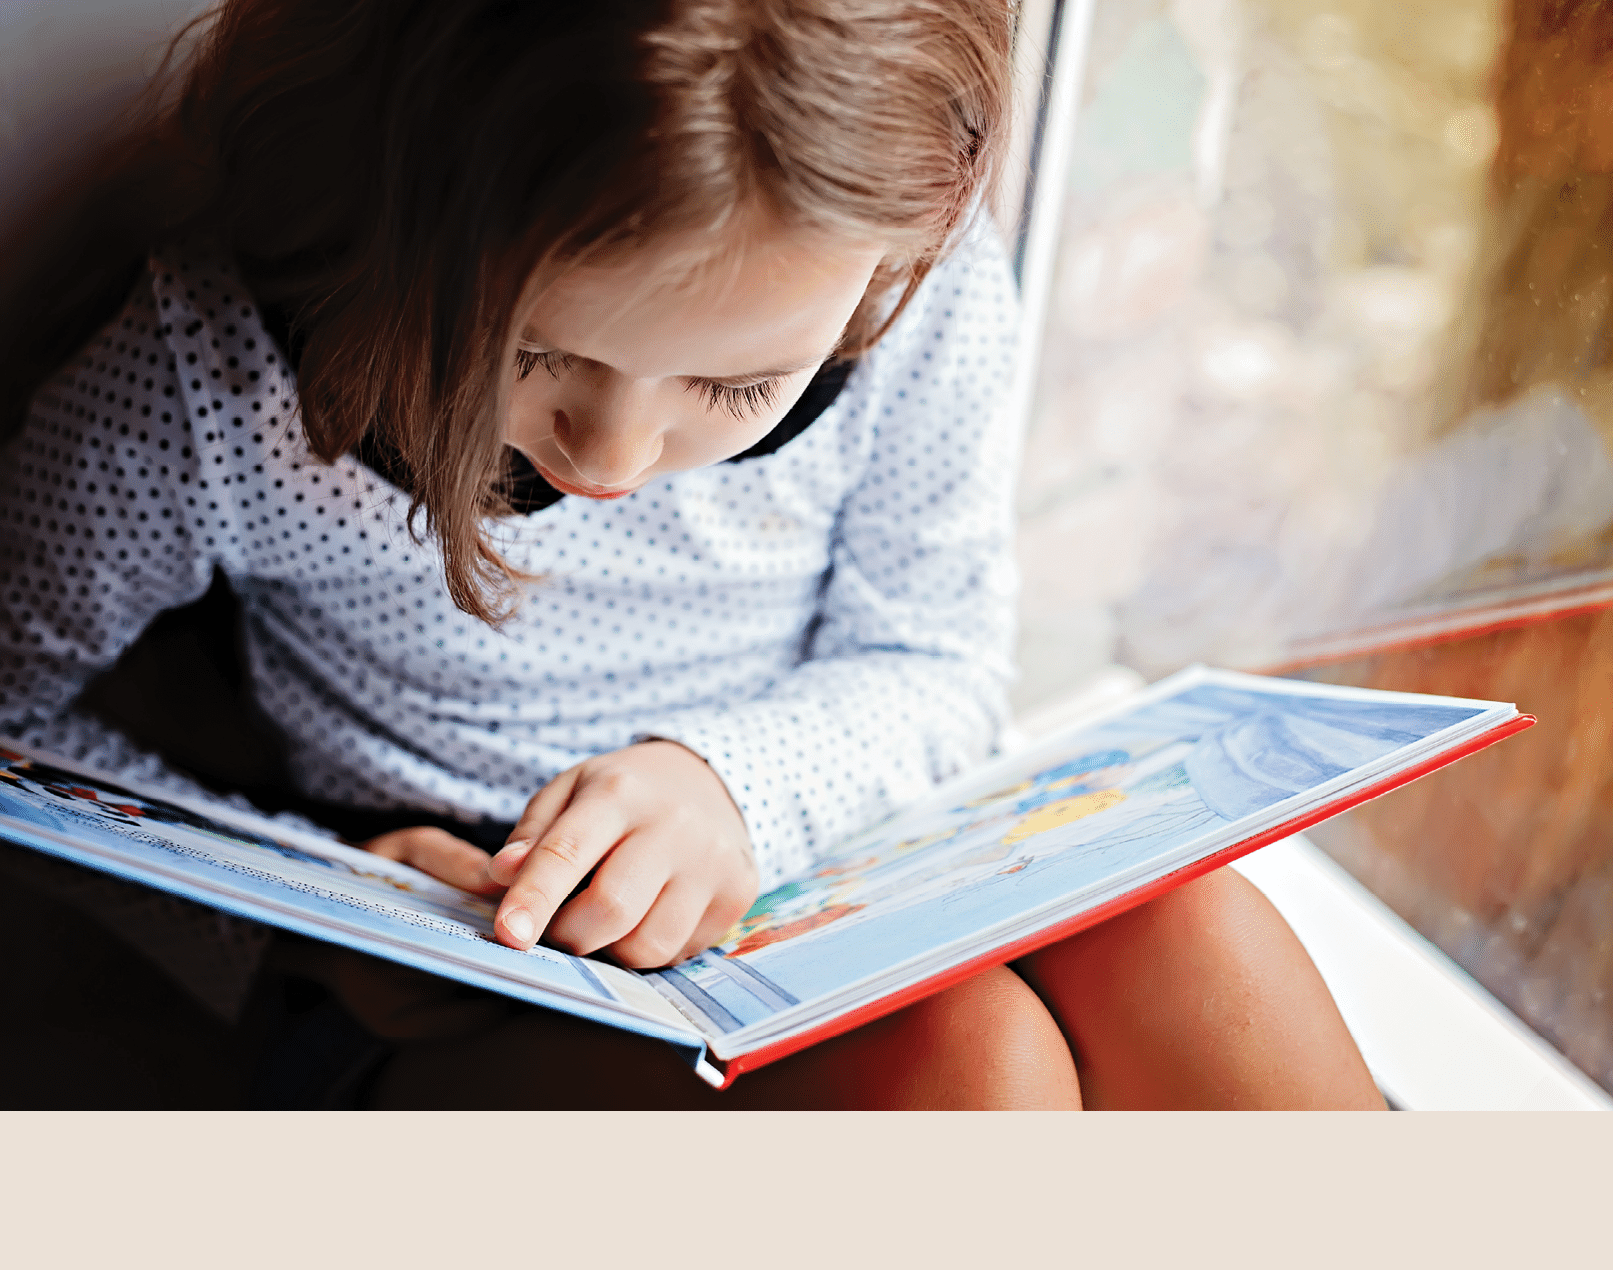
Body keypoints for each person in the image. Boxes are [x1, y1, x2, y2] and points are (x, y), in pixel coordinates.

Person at [0, 0, 1382, 1109]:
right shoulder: (215, 385)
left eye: (731, 390)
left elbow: (939, 661)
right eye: (533, 354)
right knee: (967, 1076)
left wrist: (735, 788)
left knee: (1188, 932)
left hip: (823, 862)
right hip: (463, 973)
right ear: (396, 194)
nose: (610, 457)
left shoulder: (920, 297)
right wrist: (314, 908)